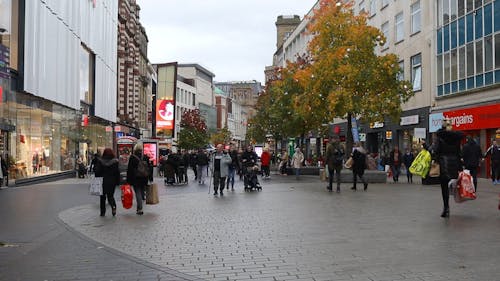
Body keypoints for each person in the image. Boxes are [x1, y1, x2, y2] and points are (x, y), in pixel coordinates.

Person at [434, 118, 464, 218]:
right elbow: (459, 152)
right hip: (454, 163)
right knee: (456, 183)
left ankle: (446, 207)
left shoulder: (440, 138)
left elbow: (436, 150)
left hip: (444, 164)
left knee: (444, 187)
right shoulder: (456, 138)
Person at [94, 148, 120, 217]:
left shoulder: (100, 161)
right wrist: (117, 182)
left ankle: (102, 212)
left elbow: (97, 172)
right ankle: (113, 207)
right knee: (110, 196)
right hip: (112, 181)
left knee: (102, 197)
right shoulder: (115, 161)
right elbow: (117, 173)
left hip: (102, 181)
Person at [126, 145, 151, 215]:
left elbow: (129, 170)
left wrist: (128, 181)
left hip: (136, 178)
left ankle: (140, 209)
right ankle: (139, 207)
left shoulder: (133, 157)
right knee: (142, 191)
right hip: (144, 178)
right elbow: (149, 168)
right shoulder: (145, 157)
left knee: (138, 192)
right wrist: (149, 177)